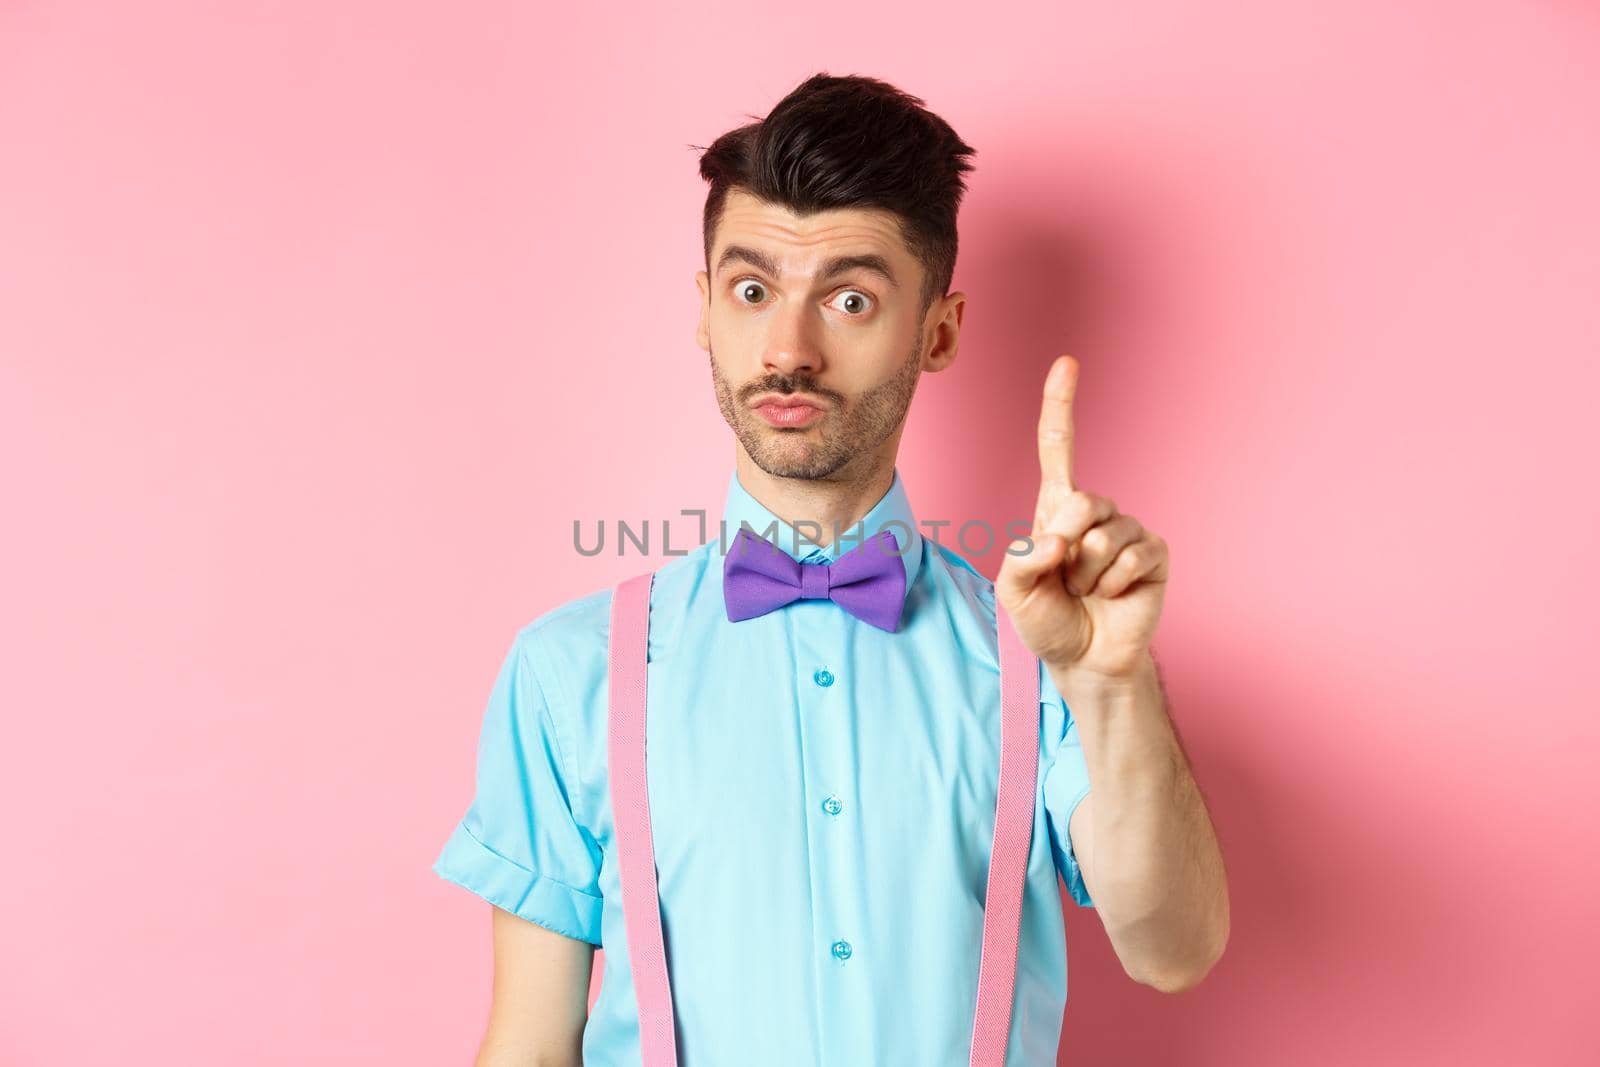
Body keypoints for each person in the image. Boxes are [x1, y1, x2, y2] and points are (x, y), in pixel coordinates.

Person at [433, 71, 1229, 1067]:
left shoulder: (1046, 665)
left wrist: (1112, 688)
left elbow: (1172, 947)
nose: (788, 349)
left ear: (936, 330)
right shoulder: (567, 671)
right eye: (753, 289)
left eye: (850, 298)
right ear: (704, 310)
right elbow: (529, 1043)